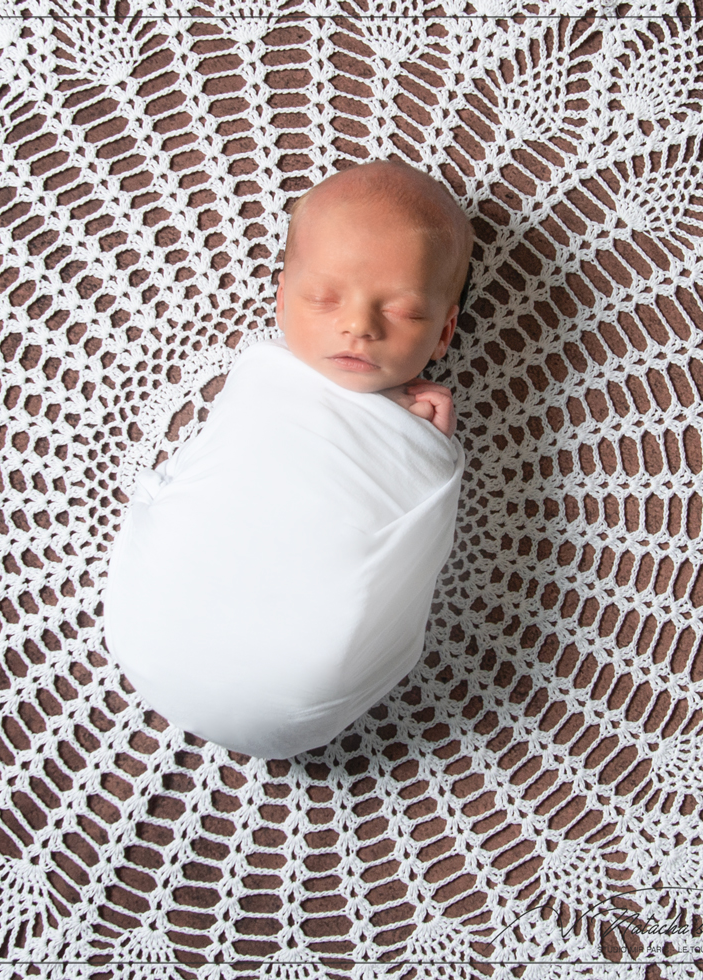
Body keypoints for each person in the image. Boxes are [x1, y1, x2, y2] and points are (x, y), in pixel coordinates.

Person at [104, 160, 473, 759]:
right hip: (155, 630)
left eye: (403, 311)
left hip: (299, 686)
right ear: (280, 298)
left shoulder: (414, 426)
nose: (356, 325)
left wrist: (420, 450)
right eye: (323, 298)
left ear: (443, 334)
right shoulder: (263, 374)